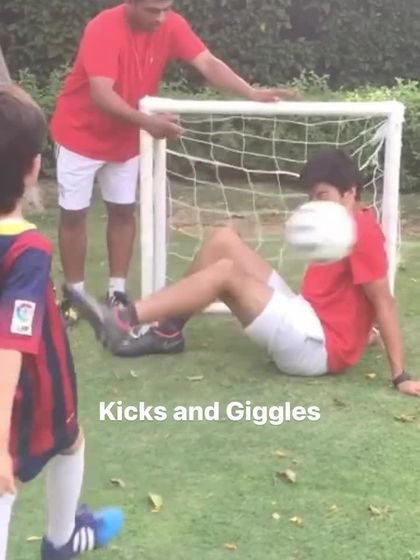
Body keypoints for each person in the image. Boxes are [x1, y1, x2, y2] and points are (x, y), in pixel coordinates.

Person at [66, 148, 420, 397]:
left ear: (350, 192)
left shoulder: (362, 232)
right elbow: (355, 298)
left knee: (225, 273)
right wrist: (362, 333)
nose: (315, 204)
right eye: (312, 196)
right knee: (223, 240)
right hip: (307, 317)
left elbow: (382, 302)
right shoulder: (338, 222)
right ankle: (167, 332)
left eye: (322, 195)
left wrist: (400, 376)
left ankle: (122, 319)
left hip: (316, 349)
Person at [50, 0, 295, 324]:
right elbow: (101, 93)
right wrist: (148, 122)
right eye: (153, 10)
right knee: (73, 216)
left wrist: (251, 92)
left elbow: (207, 63)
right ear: (131, 4)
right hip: (79, 135)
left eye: (166, 8)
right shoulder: (102, 28)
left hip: (125, 139)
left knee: (123, 211)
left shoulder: (172, 24)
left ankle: (117, 291)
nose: (162, 17)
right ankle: (74, 296)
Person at [0, 90, 123, 560]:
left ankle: (63, 539)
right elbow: (10, 343)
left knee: (70, 439)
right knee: (14, 473)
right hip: (30, 384)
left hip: (40, 383)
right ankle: (58, 542)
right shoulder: (26, 250)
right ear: (33, 169)